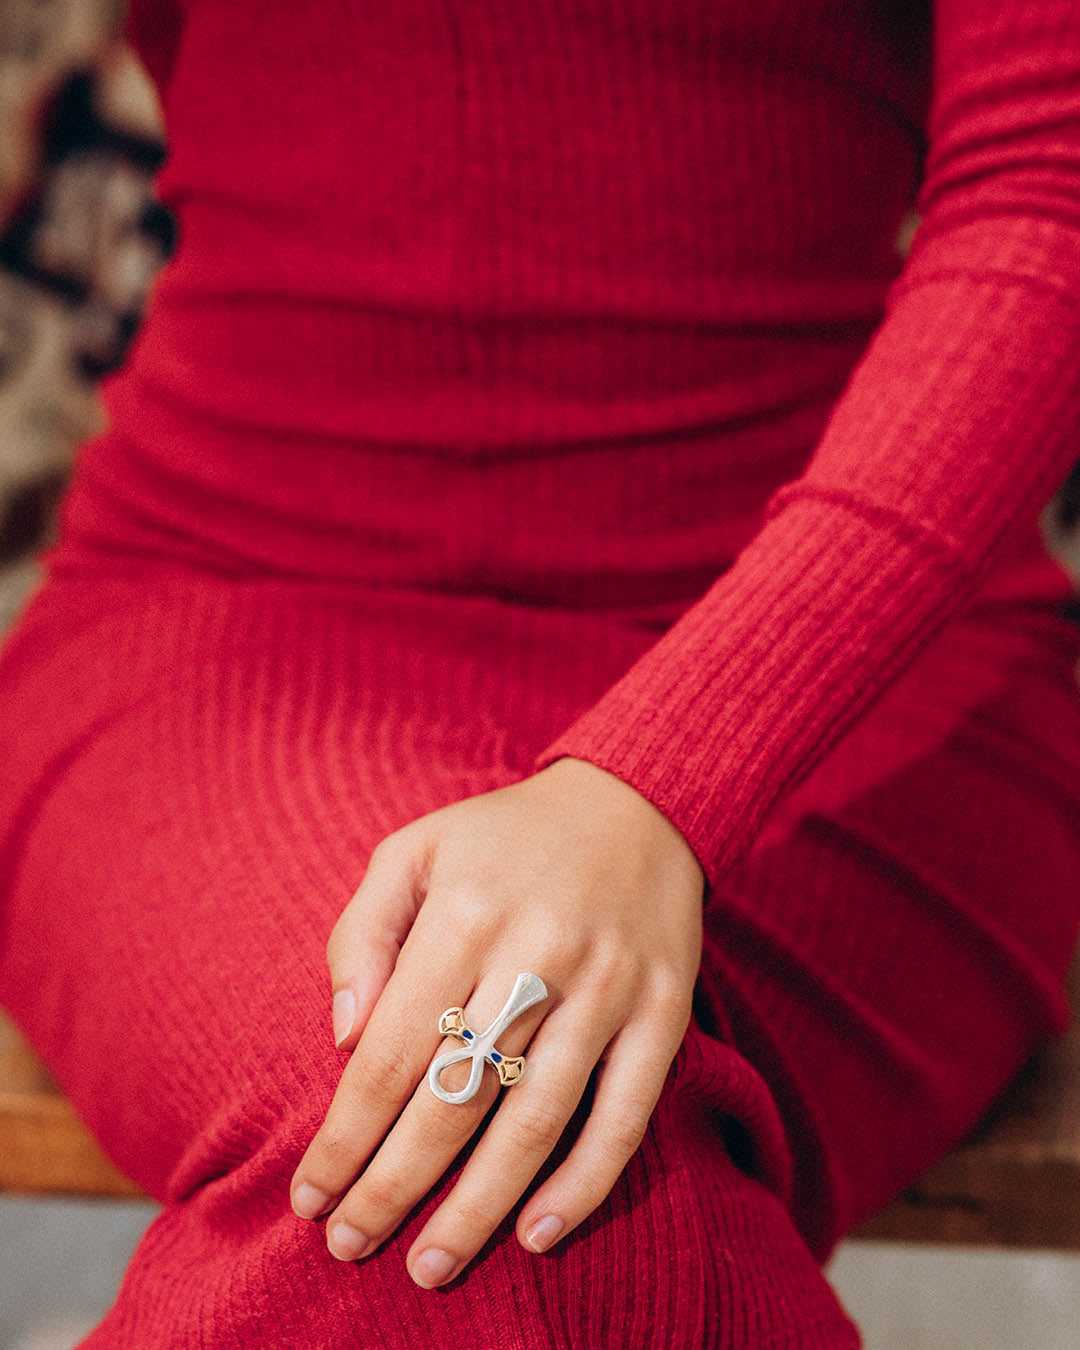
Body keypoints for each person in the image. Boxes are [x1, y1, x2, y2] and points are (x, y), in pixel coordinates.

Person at [2, 0, 1080, 1344]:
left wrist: (664, 780)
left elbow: (1051, 178)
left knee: (515, 1187)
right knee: (467, 1178)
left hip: (862, 659)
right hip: (229, 617)